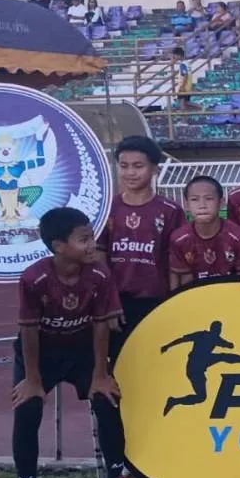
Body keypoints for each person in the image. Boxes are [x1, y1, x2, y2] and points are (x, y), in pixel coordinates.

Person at [9, 207, 136, 478]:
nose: (92, 244)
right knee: (27, 408)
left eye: (91, 237)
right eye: (83, 239)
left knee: (107, 399)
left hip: (81, 352)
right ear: (59, 246)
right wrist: (33, 379)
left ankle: (116, 477)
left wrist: (100, 374)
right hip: (41, 355)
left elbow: (101, 325)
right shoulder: (34, 278)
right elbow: (28, 330)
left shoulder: (99, 275)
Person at [101, 135, 186, 337]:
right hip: (117, 302)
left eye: (138, 166)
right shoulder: (107, 208)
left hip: (157, 301)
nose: (130, 172)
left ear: (154, 169)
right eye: (124, 166)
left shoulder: (170, 210)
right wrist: (108, 301)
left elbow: (176, 261)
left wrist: (174, 301)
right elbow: (99, 257)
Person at [169, 175, 240, 287]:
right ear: (186, 205)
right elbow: (183, 282)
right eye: (194, 199)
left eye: (209, 199)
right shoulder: (179, 239)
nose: (202, 205)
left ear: (221, 203)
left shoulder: (238, 237)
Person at [171, 46, 194, 110]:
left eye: (175, 55)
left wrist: (182, 86)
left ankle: (201, 107)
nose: (174, 57)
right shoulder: (187, 63)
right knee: (186, 103)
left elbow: (185, 75)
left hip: (184, 87)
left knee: (182, 104)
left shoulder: (182, 64)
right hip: (188, 86)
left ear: (179, 55)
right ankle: (201, 108)